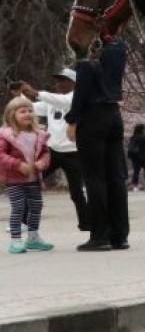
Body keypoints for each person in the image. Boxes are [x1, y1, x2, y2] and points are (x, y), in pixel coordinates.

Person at [66, 35, 130, 251]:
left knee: (94, 177)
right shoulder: (119, 48)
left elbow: (81, 92)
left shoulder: (89, 56)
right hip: (114, 113)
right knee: (116, 177)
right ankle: (120, 234)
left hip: (92, 117)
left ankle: (100, 235)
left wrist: (72, 119)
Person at [21, 68, 88, 232]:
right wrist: (21, 95)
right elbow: (32, 107)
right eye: (58, 80)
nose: (60, 83)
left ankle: (86, 222)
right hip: (52, 152)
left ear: (74, 83)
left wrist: (36, 92)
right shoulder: (52, 102)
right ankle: (23, 220)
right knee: (32, 182)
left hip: (73, 153)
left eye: (64, 80)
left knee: (76, 192)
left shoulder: (76, 98)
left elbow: (63, 101)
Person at [0, 96, 53, 253]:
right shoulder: (6, 135)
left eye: (30, 110)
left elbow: (45, 152)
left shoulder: (38, 134)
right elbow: (1, 154)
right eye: (22, 111)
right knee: (19, 207)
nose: (28, 114)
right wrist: (17, 164)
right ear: (12, 115)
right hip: (14, 179)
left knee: (36, 206)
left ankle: (33, 237)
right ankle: (16, 240)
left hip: (33, 179)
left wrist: (43, 162)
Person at [126, 122, 145, 190]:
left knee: (136, 171)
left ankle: (135, 186)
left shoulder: (133, 137)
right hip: (143, 156)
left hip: (135, 157)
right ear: (142, 129)